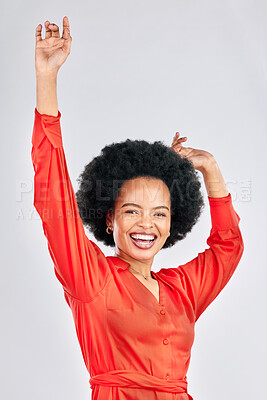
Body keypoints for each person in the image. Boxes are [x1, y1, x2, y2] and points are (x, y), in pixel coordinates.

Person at [32, 16, 244, 400]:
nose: (147, 223)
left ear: (171, 224)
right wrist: (47, 79)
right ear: (110, 219)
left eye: (159, 213)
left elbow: (228, 248)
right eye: (132, 210)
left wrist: (210, 168)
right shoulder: (92, 280)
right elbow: (54, 202)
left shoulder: (182, 290)